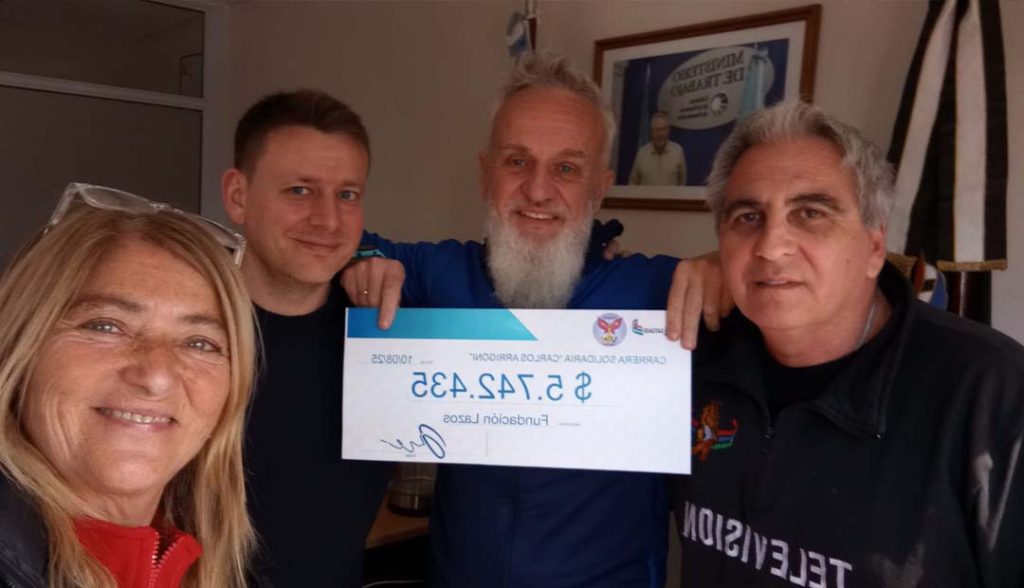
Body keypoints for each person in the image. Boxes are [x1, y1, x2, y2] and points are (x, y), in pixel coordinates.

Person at [355, 52, 686, 587]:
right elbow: (342, 240)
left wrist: (715, 270)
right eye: (516, 161)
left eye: (567, 169)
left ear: (599, 187)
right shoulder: (442, 274)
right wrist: (367, 262)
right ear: (485, 174)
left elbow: (753, 277)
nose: (537, 190)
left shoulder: (655, 289)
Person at [671, 102, 1024, 586]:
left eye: (811, 213)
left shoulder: (992, 395)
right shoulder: (689, 353)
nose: (772, 246)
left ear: (875, 247)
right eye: (748, 217)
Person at [0, 183, 255, 587]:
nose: (156, 376)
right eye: (106, 326)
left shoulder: (230, 573)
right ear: (22, 345)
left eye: (199, 343)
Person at [219, 90, 394, 586]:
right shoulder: (181, 332)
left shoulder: (389, 334)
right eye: (299, 190)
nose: (328, 220)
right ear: (238, 196)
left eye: (347, 195)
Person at [629, 111, 686, 186]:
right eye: (657, 130)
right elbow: (633, 183)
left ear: (668, 130)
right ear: (651, 132)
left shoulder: (677, 151)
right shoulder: (642, 153)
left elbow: (682, 182)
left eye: (663, 129)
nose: (660, 133)